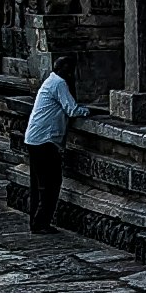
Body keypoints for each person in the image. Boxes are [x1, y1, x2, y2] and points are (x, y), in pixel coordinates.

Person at [23, 60, 87, 232]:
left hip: (35, 139)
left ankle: (36, 222)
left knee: (38, 184)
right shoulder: (59, 83)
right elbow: (71, 109)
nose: (72, 75)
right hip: (45, 141)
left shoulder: (50, 80)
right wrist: (86, 111)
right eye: (69, 71)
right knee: (50, 183)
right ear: (63, 71)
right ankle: (41, 223)